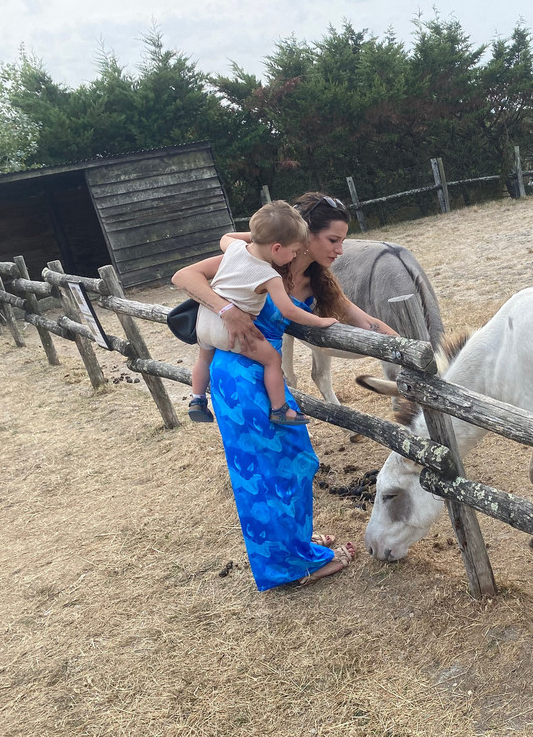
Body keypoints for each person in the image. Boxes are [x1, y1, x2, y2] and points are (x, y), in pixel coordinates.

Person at [170, 192, 396, 590]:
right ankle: (294, 565)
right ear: (306, 236)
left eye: (343, 240)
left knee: (292, 463)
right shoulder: (253, 259)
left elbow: (363, 321)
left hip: (258, 378)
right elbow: (184, 276)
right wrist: (228, 309)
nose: (341, 250)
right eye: (333, 240)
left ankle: (294, 547)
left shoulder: (314, 283)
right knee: (267, 471)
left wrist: (408, 347)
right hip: (241, 379)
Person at [187, 200, 337, 426]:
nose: (295, 257)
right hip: (229, 329)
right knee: (272, 360)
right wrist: (320, 321)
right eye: (294, 251)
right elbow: (289, 311)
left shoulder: (234, 248)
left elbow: (225, 237)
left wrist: (261, 233)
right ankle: (279, 409)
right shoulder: (269, 276)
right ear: (276, 248)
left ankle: (197, 399)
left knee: (203, 358)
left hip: (205, 319)